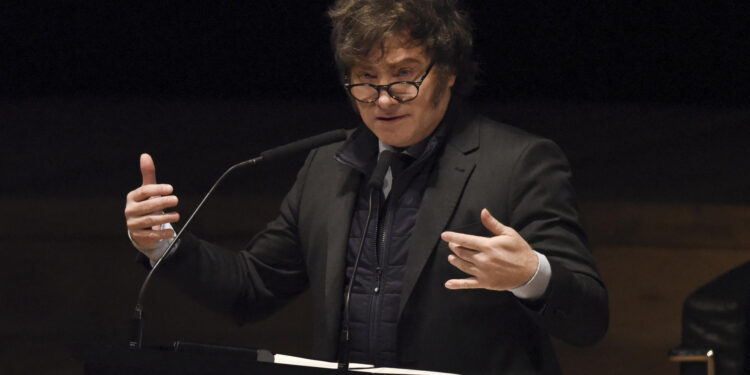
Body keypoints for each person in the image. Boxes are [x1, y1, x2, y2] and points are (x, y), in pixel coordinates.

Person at [124, 0, 608, 373]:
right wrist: (163, 244)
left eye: (403, 77)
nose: (382, 99)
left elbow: (589, 320)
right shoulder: (326, 169)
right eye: (365, 79)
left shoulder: (519, 163)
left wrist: (531, 276)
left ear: (449, 72)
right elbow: (251, 290)